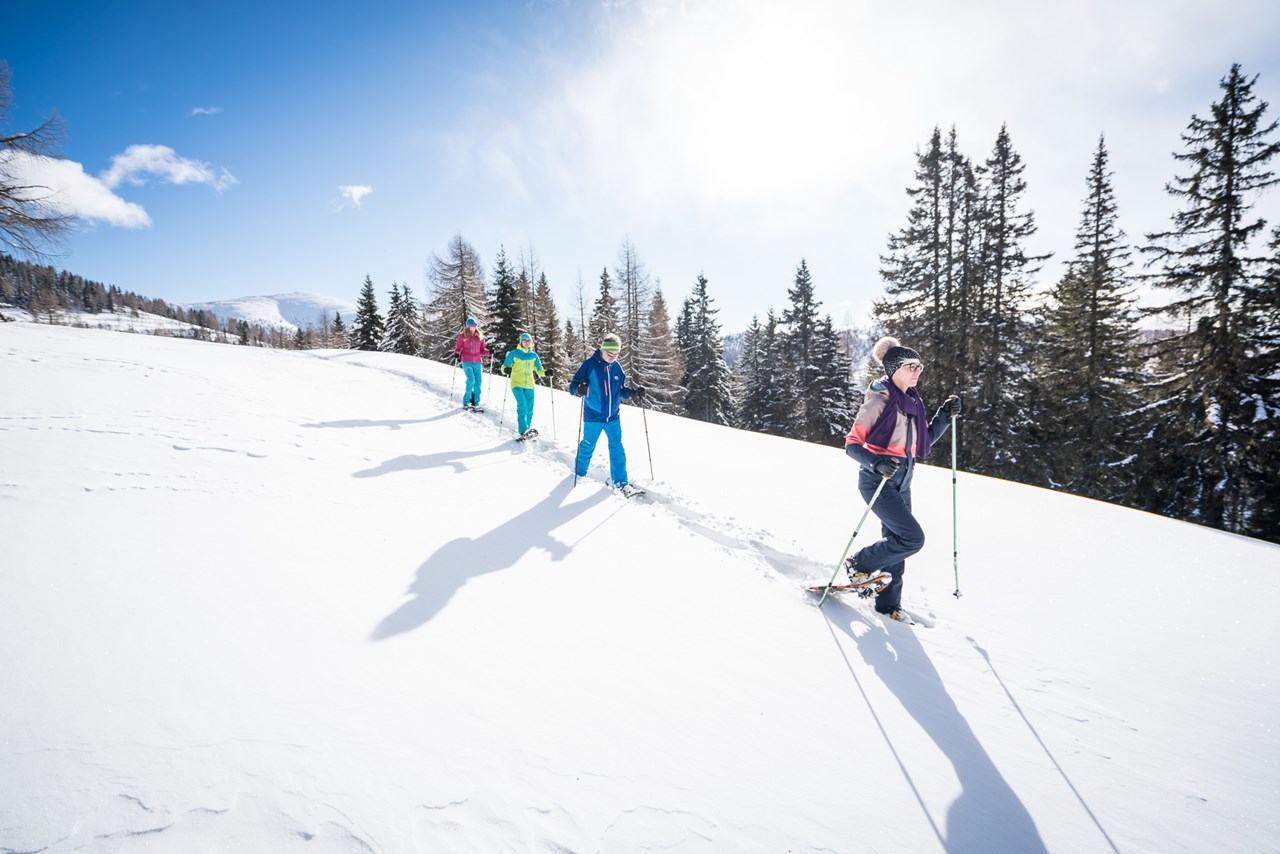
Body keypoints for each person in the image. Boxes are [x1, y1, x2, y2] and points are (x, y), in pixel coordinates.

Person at [843, 335, 962, 623]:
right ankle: (858, 563)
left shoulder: (912, 401)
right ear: (895, 368)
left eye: (920, 366)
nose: (918, 371)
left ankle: (888, 607)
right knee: (912, 538)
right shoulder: (879, 398)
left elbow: (924, 440)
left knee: (897, 544)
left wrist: (944, 416)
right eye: (912, 366)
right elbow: (851, 444)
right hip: (877, 481)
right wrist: (876, 463)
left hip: (903, 481)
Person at [569, 333, 645, 494]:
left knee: (617, 447)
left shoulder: (617, 367)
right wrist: (578, 390)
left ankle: (620, 482)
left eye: (616, 354)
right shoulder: (589, 365)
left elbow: (621, 390)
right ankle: (579, 474)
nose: (613, 357)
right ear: (602, 350)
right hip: (594, 415)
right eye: (610, 354)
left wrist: (633, 393)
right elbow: (573, 386)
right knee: (588, 445)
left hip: (613, 417)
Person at [501, 332, 547, 439]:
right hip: (517, 384)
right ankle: (523, 430)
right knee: (522, 405)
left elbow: (539, 370)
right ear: (521, 342)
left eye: (528, 341)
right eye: (524, 340)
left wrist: (546, 373)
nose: (527, 342)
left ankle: (528, 430)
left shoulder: (533, 355)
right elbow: (504, 367)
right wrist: (506, 370)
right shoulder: (514, 353)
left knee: (530, 408)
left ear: (531, 342)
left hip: (530, 385)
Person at [453, 318, 490, 410]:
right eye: (470, 327)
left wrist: (490, 352)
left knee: (478, 382)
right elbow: (458, 347)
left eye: (473, 326)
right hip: (466, 361)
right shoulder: (463, 336)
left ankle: (475, 402)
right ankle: (466, 401)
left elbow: (482, 350)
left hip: (477, 362)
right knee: (471, 380)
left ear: (476, 326)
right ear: (467, 327)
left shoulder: (480, 337)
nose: (472, 328)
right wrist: (457, 353)